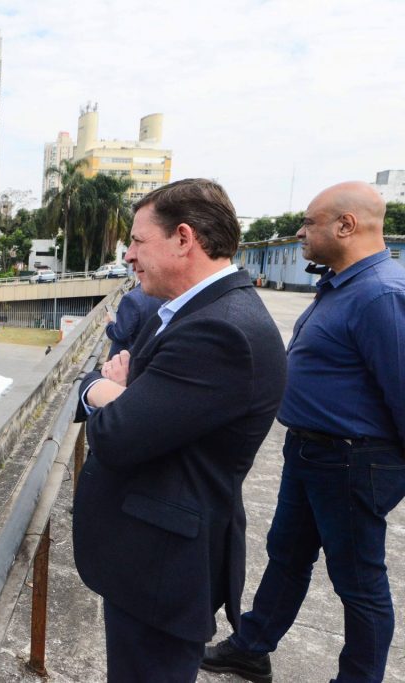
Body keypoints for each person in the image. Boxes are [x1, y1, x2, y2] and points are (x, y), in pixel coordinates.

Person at [72, 179, 287, 681]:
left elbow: (118, 434)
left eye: (138, 241)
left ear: (184, 239)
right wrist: (126, 397)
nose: (128, 255)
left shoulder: (221, 330)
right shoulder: (193, 312)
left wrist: (100, 390)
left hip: (163, 568)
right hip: (151, 557)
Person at [202, 182, 405, 683]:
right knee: (286, 554)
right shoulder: (342, 283)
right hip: (312, 452)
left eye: (310, 222)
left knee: (358, 581)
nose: (300, 231)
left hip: (352, 459)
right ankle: (252, 647)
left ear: (346, 225)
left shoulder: (382, 294)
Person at [105, 283, 166, 357]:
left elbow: (120, 334)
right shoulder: (164, 293)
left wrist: (109, 324)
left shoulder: (130, 299)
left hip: (129, 356)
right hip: (152, 352)